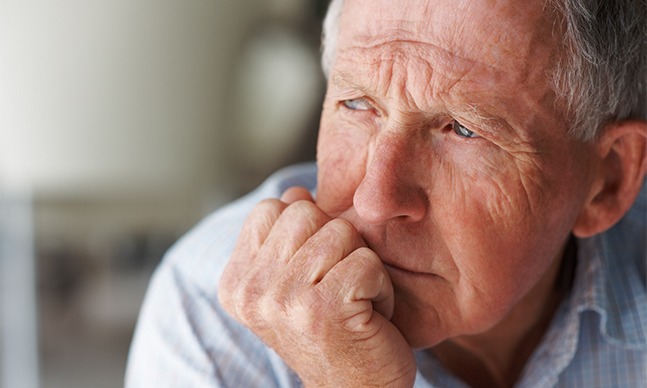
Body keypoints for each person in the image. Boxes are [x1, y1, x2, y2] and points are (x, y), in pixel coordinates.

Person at [125, 0, 646, 386]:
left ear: (609, 181)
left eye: (463, 130)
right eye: (356, 105)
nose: (375, 199)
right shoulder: (210, 312)